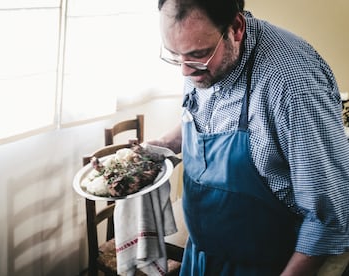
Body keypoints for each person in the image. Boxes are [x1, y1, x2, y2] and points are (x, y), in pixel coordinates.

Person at [150, 0, 349, 275]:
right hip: (201, 256)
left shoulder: (293, 87)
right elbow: (201, 112)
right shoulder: (201, 53)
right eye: (175, 55)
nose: (185, 70)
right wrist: (166, 144)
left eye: (198, 55)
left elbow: (328, 216)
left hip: (270, 265)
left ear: (236, 28)